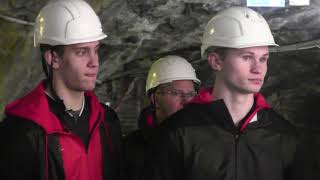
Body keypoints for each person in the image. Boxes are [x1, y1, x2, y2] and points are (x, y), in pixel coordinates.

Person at [150, 6, 305, 180]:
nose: (258, 68)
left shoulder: (285, 136)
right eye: (247, 57)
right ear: (216, 61)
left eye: (263, 58)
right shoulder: (177, 132)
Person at [0, 0, 122, 180]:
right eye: (81, 52)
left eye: (96, 50)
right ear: (53, 58)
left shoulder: (107, 120)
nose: (94, 62)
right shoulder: (20, 133)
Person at [123, 55, 201, 180]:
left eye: (191, 94)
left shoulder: (207, 142)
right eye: (176, 93)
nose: (186, 101)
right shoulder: (129, 149)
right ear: (155, 99)